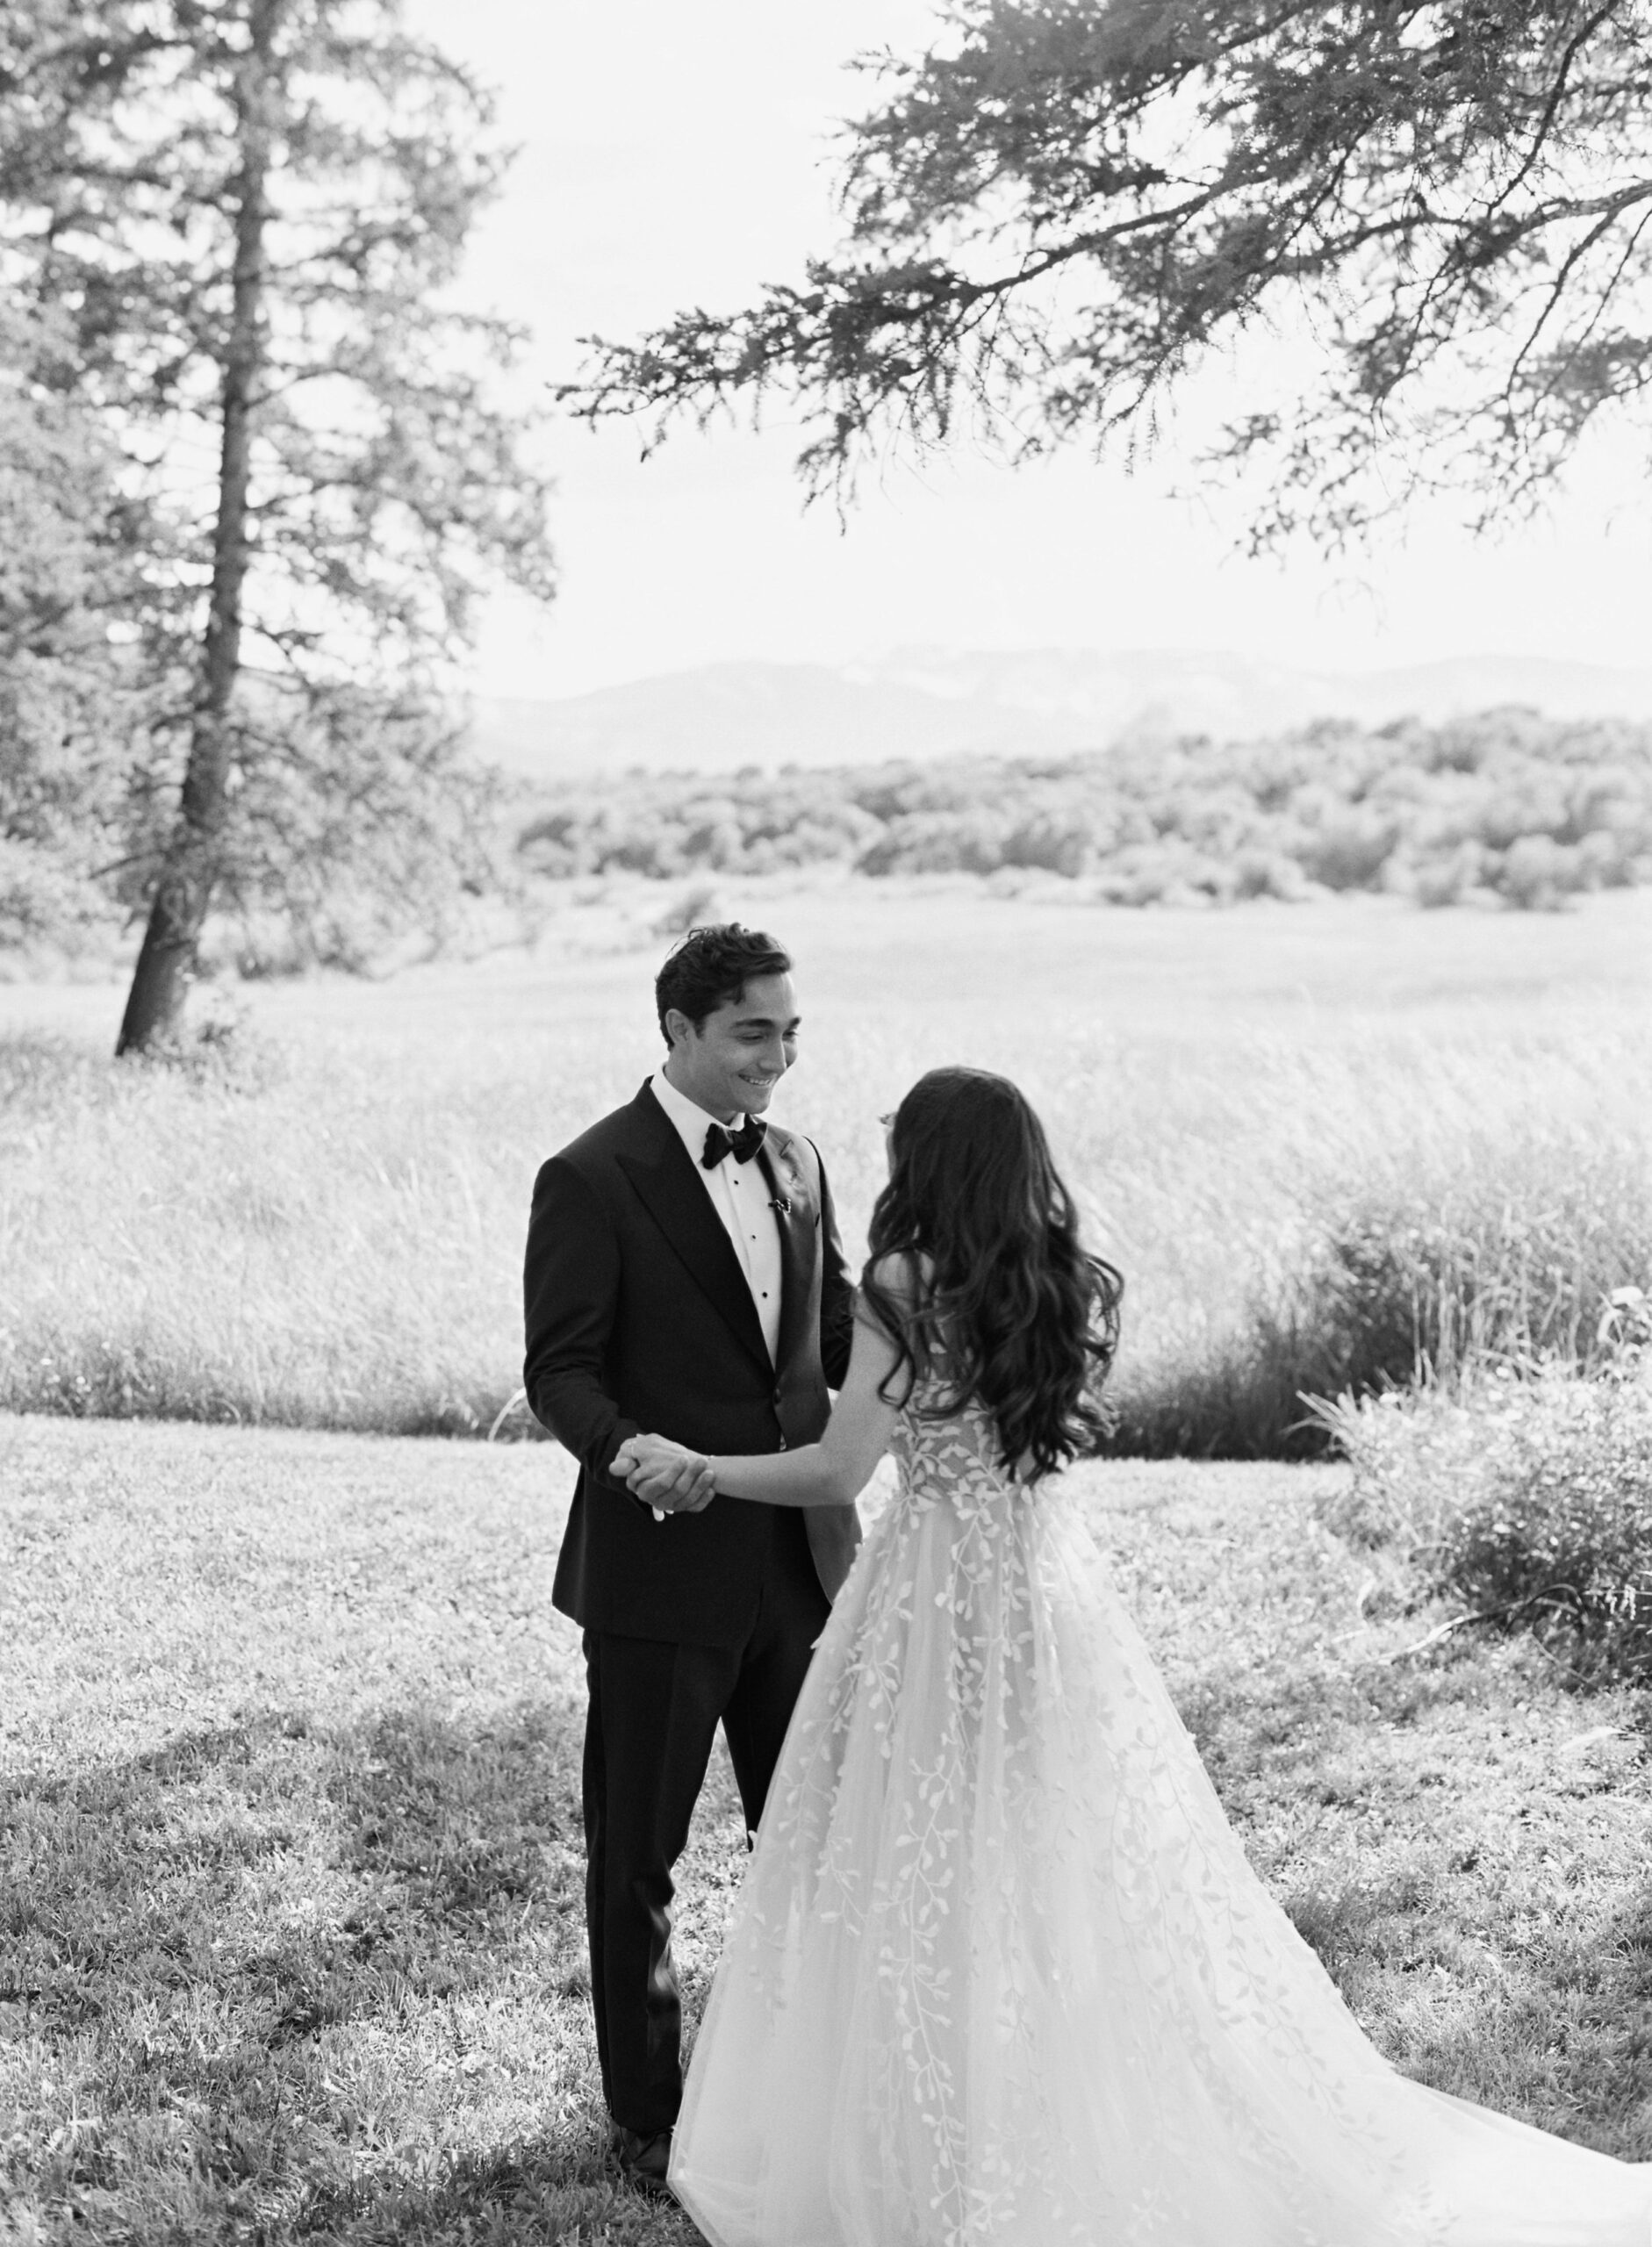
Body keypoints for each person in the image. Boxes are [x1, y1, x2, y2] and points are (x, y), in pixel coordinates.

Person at [616, 1066, 1652, 2247]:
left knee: (917, 1852)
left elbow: (838, 1469)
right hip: (1040, 1591)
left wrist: (701, 1469)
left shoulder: (905, 1281)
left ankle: (940, 2120)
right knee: (1040, 1850)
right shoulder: (1054, 1276)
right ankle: (1032, 2096)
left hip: (932, 1595)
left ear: (931, 1160)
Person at [521, 923, 858, 2199]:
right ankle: (648, 2118)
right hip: (659, 1573)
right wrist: (627, 1454)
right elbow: (560, 1368)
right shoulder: (590, 1175)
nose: (778, 1057)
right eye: (752, 1033)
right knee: (638, 1863)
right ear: (678, 1030)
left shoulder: (801, 1161)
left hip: (799, 1563)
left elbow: (834, 1337)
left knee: (811, 1846)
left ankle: (804, 2088)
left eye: (789, 1031)